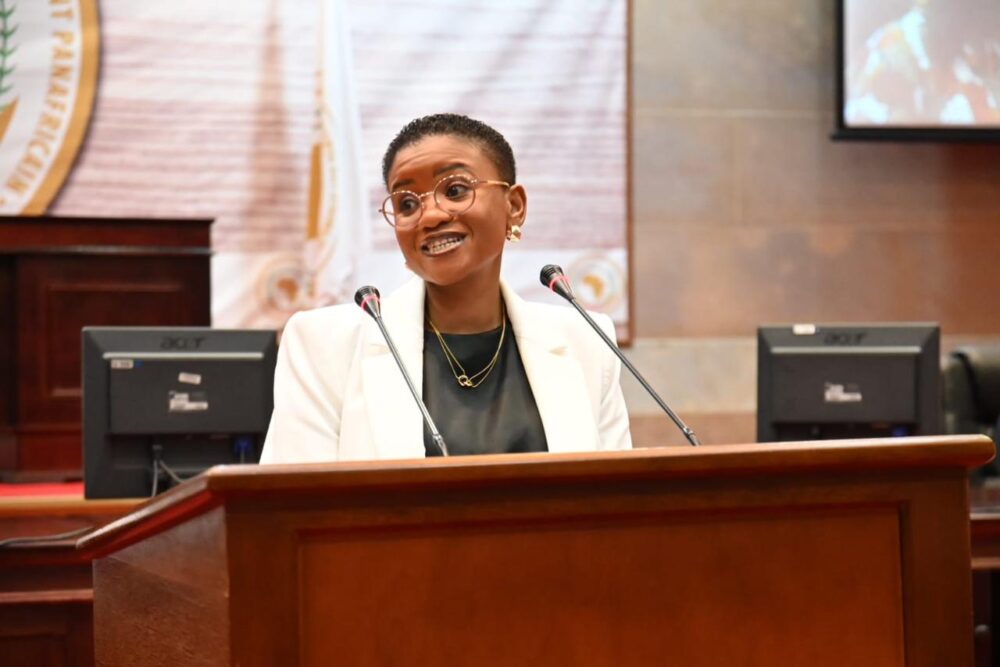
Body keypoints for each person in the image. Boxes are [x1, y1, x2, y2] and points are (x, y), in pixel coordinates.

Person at [260, 113, 631, 463]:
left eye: (455, 190)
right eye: (406, 203)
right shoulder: (324, 344)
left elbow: (616, 503)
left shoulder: (586, 339)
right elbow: (290, 511)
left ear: (514, 206)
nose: (431, 215)